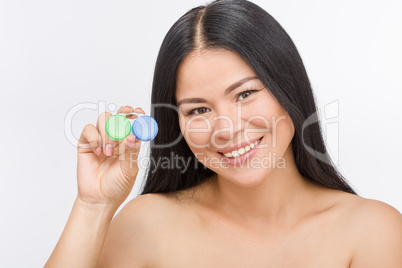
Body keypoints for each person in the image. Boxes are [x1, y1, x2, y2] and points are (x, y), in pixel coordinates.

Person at [45, 0, 402, 267]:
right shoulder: (146, 224)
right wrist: (93, 206)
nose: (226, 128)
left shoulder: (371, 230)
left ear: (288, 89)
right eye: (198, 110)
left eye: (246, 94)